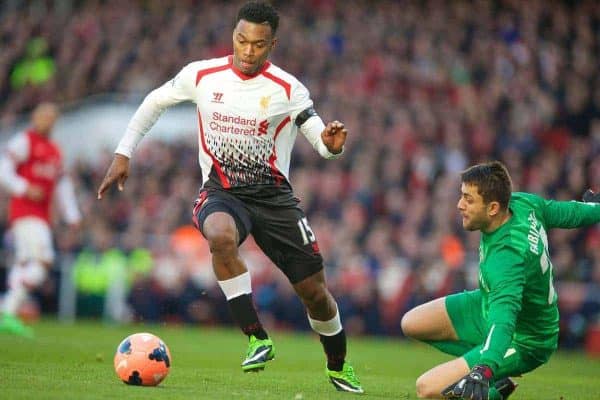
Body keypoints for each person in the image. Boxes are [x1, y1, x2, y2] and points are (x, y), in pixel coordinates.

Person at [97, 2, 363, 394]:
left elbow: (321, 143)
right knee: (218, 234)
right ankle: (256, 336)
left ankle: (338, 365)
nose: (247, 50)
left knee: (314, 294)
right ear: (233, 36)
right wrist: (123, 153)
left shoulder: (288, 89)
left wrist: (331, 146)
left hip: (274, 199)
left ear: (272, 44)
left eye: (258, 44)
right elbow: (155, 101)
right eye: (241, 40)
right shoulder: (202, 74)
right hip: (222, 191)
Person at [400, 160, 600, 400]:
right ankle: (491, 367)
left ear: (493, 208)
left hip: (525, 337)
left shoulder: (507, 261)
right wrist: (594, 209)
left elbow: (505, 320)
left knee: (427, 388)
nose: (459, 205)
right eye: (462, 196)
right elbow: (566, 213)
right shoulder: (523, 203)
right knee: (411, 323)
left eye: (468, 199)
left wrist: (484, 368)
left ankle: (492, 384)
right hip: (487, 303)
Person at [0, 102, 81, 338]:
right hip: (25, 212)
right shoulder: (24, 141)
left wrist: (72, 215)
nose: (47, 120)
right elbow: (3, 170)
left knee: (25, 263)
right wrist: (24, 188)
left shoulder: (55, 151)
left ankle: (8, 313)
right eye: (43, 115)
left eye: (51, 117)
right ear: (34, 117)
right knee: (43, 262)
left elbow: (62, 186)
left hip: (42, 216)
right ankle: (7, 310)